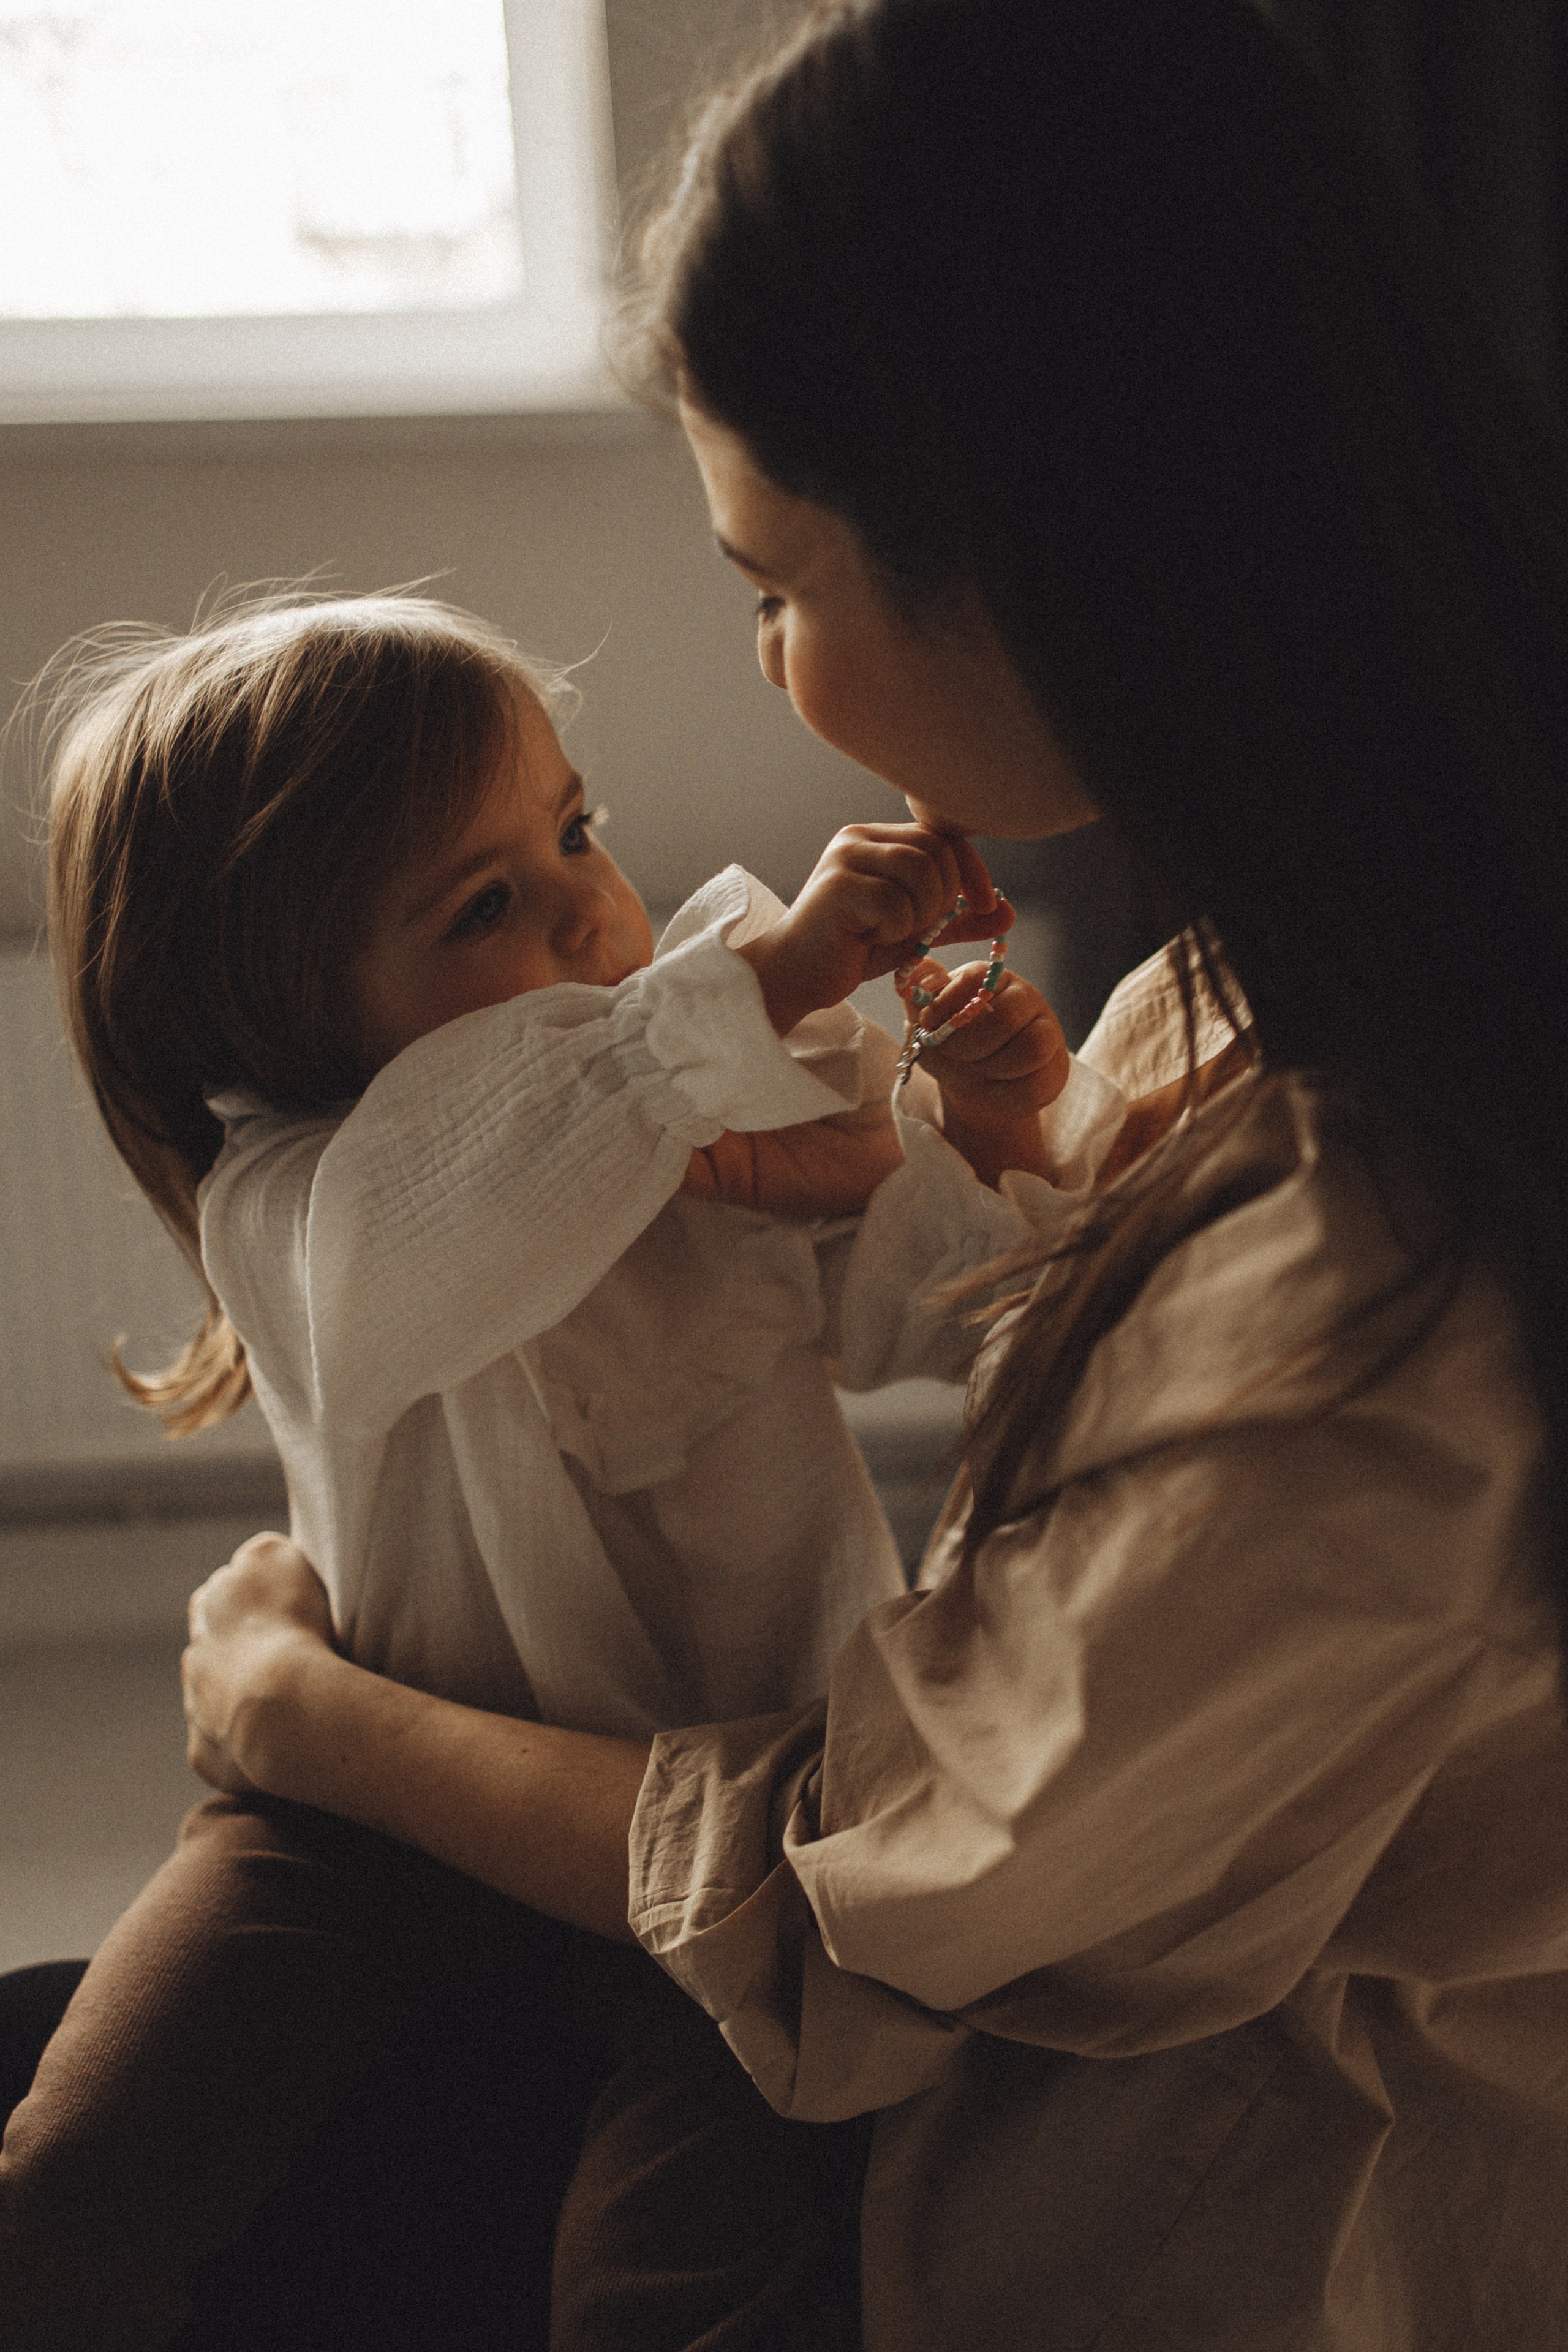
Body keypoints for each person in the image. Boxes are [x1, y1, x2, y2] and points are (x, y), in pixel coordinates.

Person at [13, 0, 1568, 2340]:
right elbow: (997, 1367)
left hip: (1139, 2156)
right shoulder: (1268, 969)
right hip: (600, 1860)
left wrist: (312, 1718)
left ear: (1045, 561)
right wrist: (1022, 1139)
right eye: (479, 901)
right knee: (90, 2126)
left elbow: (897, 1856)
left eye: (774, 585)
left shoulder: (1377, 1254)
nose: (765, 681)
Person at [0, 590, 1077, 2349]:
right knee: (76, 2173)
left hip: (737, 1848)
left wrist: (988, 1128)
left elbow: (966, 1320)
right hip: (369, 1824)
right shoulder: (288, 1204)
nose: (591, 900)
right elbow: (476, 1183)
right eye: (482, 905)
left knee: (673, 2285)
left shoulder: (717, 1080)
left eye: (574, 828)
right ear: (264, 1018)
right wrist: (775, 977)